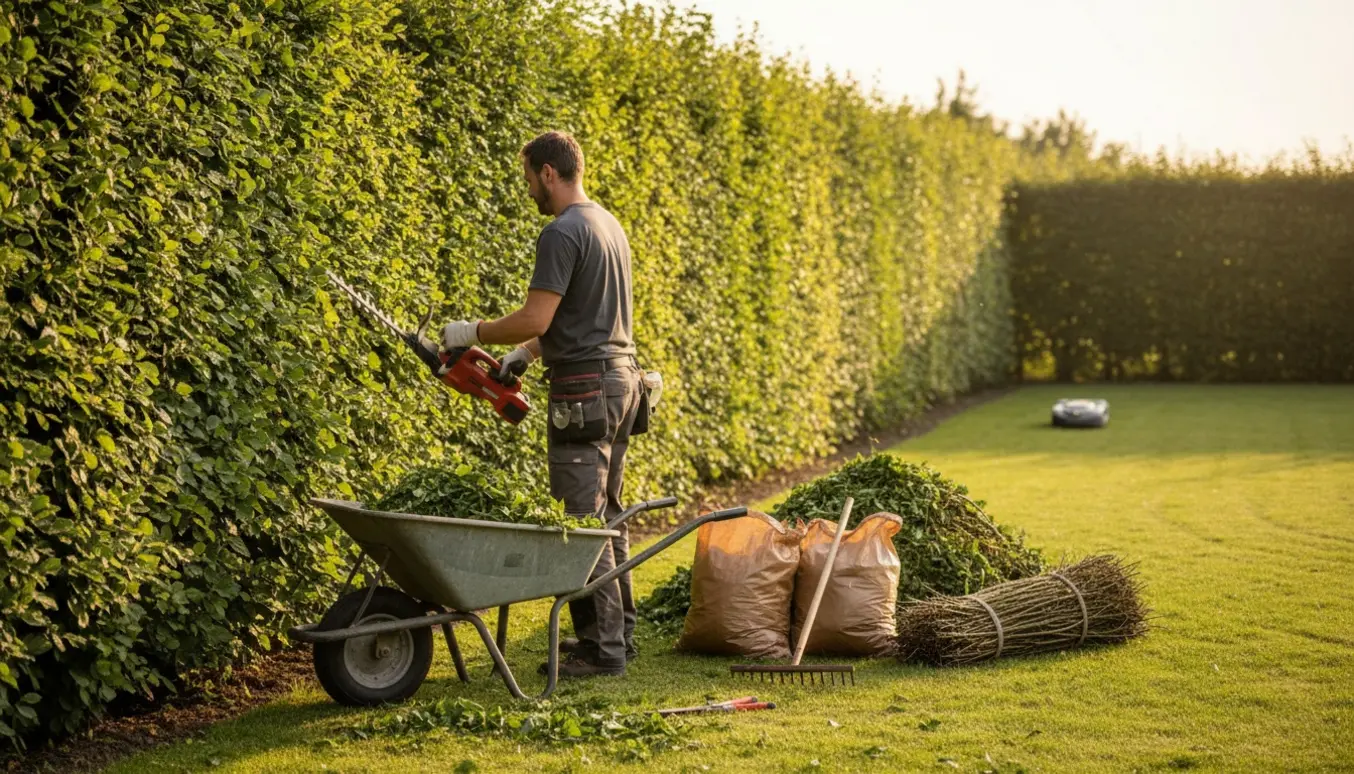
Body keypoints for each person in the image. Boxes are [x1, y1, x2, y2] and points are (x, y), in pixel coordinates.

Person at [440, 131, 644, 678]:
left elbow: (537, 316)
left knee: (580, 523)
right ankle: (618, 635)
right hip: (622, 381)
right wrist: (527, 356)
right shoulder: (608, 224)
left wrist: (471, 330)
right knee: (609, 518)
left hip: (585, 390)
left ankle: (604, 653)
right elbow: (578, 318)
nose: (527, 186)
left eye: (528, 176)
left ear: (548, 173)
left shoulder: (560, 232)